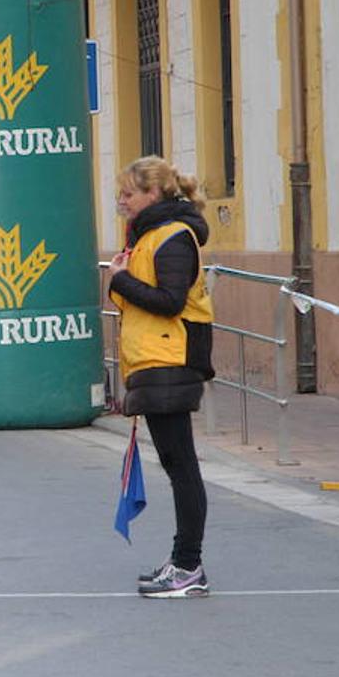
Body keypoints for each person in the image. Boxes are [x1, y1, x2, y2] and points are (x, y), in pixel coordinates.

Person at [107, 155, 215, 599]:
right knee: (176, 464)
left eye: (128, 194)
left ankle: (188, 566)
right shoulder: (153, 236)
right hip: (155, 359)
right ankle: (185, 564)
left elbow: (170, 301)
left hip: (170, 359)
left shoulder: (173, 237)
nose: (122, 202)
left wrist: (120, 279)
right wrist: (125, 276)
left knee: (182, 466)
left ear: (154, 193)